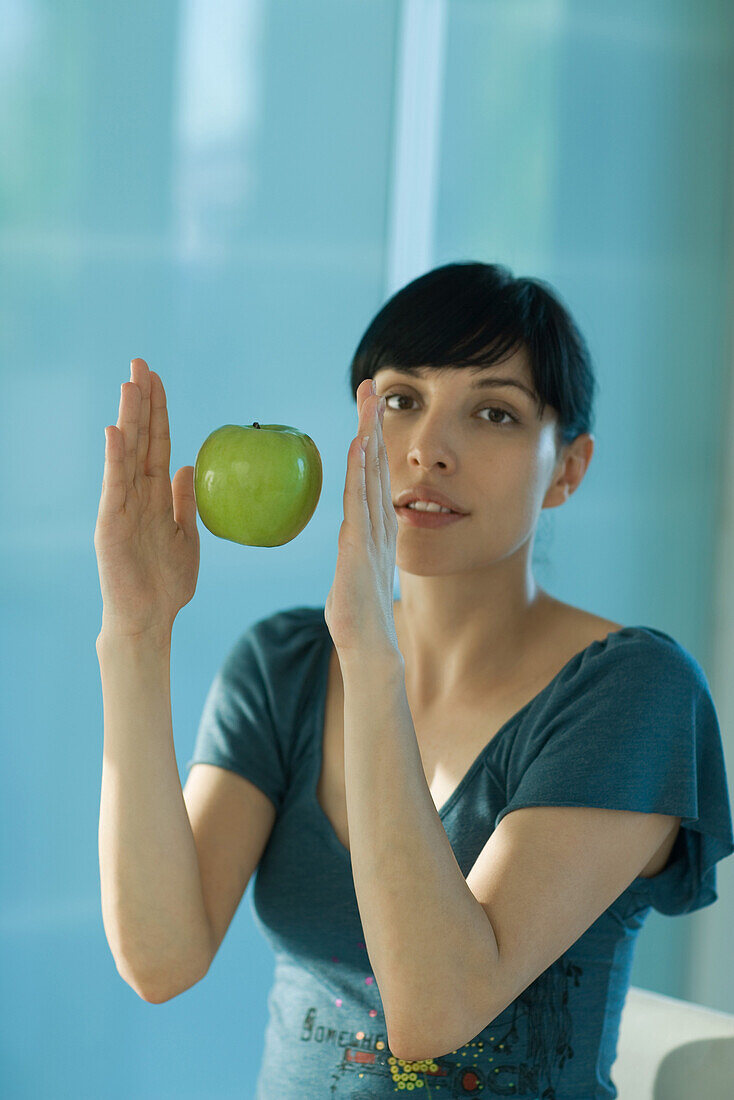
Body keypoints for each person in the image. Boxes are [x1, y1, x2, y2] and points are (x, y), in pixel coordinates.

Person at [95, 262, 734, 1099]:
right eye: (401, 401)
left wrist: (369, 656)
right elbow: (162, 956)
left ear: (568, 468)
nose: (430, 448)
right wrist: (138, 632)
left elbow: (435, 1008)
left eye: (495, 412)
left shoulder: (635, 693)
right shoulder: (284, 666)